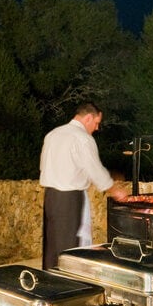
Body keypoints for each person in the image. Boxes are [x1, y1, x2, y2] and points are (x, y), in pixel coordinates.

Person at [39, 102, 127, 269]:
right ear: (88, 117)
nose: (97, 128)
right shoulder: (83, 138)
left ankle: (49, 282)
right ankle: (68, 287)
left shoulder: (53, 134)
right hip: (69, 199)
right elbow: (94, 168)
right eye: (96, 123)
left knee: (52, 245)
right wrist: (114, 189)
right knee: (70, 246)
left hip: (51, 197)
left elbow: (44, 166)